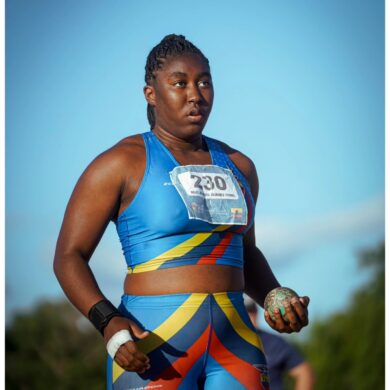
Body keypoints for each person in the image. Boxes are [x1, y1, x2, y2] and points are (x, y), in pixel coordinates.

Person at [53, 34, 310, 390]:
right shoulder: (118, 164)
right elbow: (69, 256)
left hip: (235, 343)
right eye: (180, 83)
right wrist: (107, 322)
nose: (195, 94)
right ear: (151, 94)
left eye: (204, 82)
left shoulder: (240, 166)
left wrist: (275, 297)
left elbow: (245, 253)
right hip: (154, 345)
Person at [245, 297, 315, 390]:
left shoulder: (274, 342)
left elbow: (304, 372)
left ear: (256, 313)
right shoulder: (225, 342)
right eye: (243, 312)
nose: (247, 316)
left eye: (250, 311)